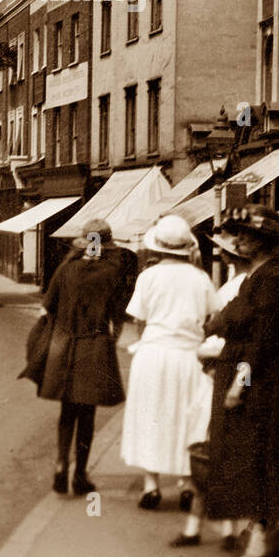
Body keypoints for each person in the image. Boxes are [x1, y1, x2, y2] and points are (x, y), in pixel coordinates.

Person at [203, 205, 279, 557]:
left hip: (258, 385)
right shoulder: (256, 276)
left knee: (257, 460)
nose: (237, 239)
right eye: (236, 233)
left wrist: (240, 385)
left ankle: (260, 545)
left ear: (265, 239)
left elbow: (263, 342)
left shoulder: (270, 279)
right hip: (246, 375)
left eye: (245, 234)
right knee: (246, 459)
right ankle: (266, 536)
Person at [120, 215, 221, 512]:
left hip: (153, 355)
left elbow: (139, 319)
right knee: (186, 418)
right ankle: (187, 483)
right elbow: (211, 318)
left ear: (158, 248)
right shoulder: (201, 279)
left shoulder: (148, 277)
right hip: (187, 356)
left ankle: (151, 485)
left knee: (151, 416)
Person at [36, 217, 129, 496]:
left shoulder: (67, 268)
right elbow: (119, 313)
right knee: (87, 413)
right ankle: (80, 474)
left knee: (67, 411)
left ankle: (61, 465)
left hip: (64, 345)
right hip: (95, 345)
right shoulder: (113, 270)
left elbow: (49, 305)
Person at [174, 231, 249, 550]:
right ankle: (221, 530)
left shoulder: (237, 289)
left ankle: (218, 530)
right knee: (218, 454)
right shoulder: (249, 285)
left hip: (224, 380)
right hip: (235, 378)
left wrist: (204, 352)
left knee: (210, 454)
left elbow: (226, 342)